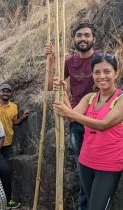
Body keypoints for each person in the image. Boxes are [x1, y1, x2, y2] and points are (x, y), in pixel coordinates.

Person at [53, 53, 123, 210]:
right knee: (92, 204)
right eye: (97, 72)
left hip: (108, 166)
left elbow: (103, 125)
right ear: (92, 75)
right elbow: (71, 117)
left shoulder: (120, 99)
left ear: (116, 74)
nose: (102, 76)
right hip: (86, 162)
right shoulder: (90, 98)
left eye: (107, 71)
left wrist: (70, 113)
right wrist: (63, 91)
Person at [45, 22, 98, 210]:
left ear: (93, 39)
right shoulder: (70, 61)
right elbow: (51, 86)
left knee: (99, 167)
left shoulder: (100, 60)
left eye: (86, 35)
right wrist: (51, 60)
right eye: (79, 35)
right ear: (74, 39)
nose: (83, 39)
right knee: (81, 166)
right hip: (75, 120)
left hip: (98, 121)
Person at [0, 84, 29, 209]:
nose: (5, 93)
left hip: (7, 143)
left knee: (5, 172)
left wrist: (22, 117)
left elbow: (14, 122)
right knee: (1, 171)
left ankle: (4, 199)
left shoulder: (14, 107)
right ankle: (2, 199)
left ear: (11, 93)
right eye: (3, 91)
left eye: (8, 91)